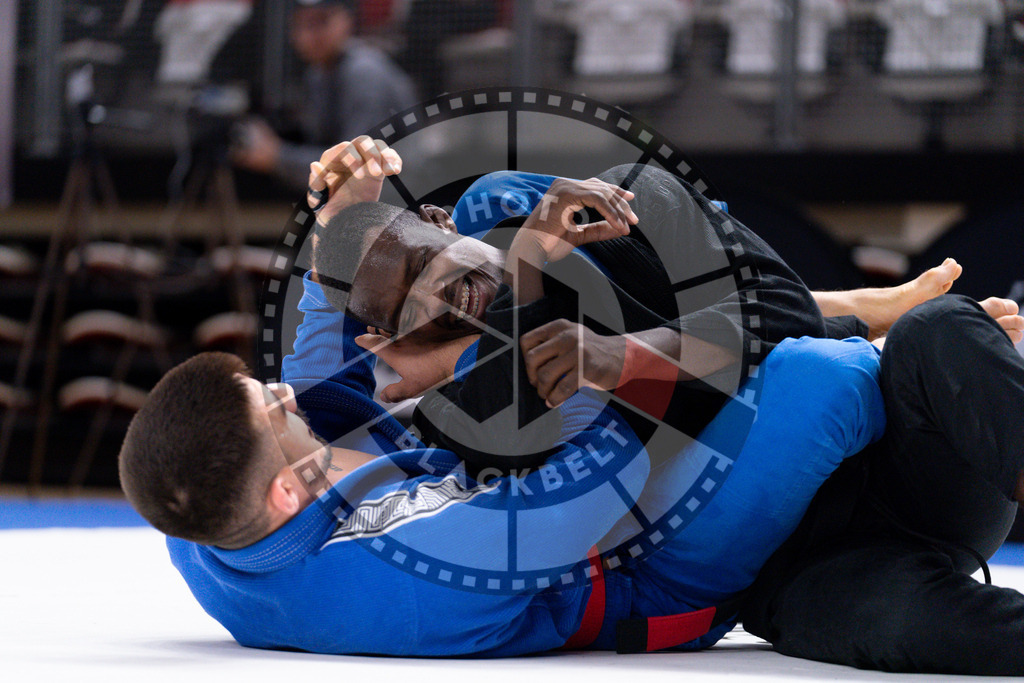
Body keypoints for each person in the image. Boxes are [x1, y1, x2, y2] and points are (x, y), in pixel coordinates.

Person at [306, 138, 964, 464]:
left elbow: (770, 314)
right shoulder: (420, 408)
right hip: (710, 439)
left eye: (426, 260)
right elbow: (314, 417)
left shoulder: (495, 218)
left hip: (715, 335)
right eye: (408, 306)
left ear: (441, 222)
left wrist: (338, 217)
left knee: (537, 202)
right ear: (380, 343)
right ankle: (851, 317)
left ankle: (851, 311)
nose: (436, 290)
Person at [231, 0, 416, 191]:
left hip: (408, 198)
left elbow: (355, 170)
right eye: (300, 24)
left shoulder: (364, 73)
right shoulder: (317, 75)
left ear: (347, 20)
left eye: (321, 21)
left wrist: (277, 156)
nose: (308, 35)